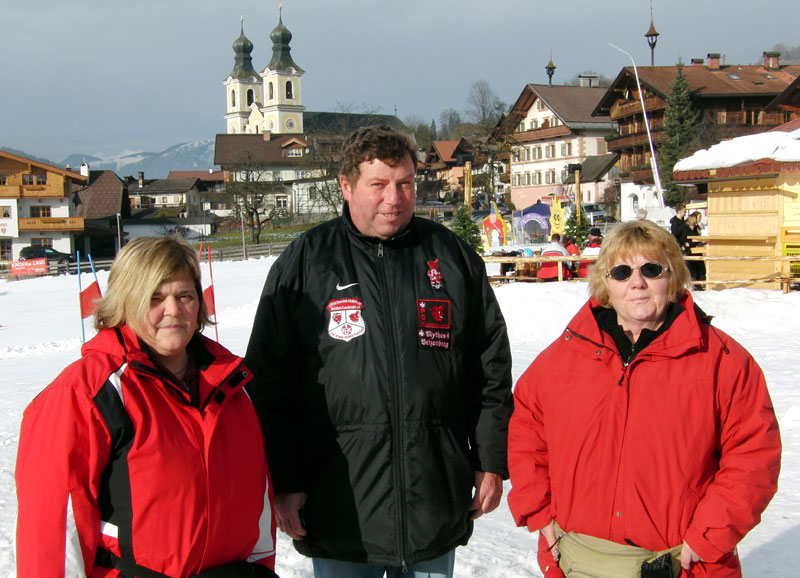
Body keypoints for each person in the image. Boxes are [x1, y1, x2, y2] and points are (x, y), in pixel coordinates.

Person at [245, 125, 513, 578]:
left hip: (431, 498)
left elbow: (490, 368)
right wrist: (285, 480)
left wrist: (489, 461)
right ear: (346, 186)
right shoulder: (307, 262)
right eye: (379, 185)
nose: (395, 198)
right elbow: (269, 384)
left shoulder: (449, 256)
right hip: (338, 501)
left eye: (405, 183)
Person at [507, 220, 781, 578]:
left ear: (674, 276)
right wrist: (539, 512)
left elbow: (753, 457)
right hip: (580, 562)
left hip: (682, 565)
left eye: (651, 269)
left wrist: (708, 537)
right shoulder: (562, 359)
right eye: (622, 271)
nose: (637, 282)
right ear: (606, 282)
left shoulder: (723, 361)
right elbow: (526, 435)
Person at [16, 237, 277, 578]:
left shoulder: (231, 387)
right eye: (155, 298)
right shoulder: (85, 394)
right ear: (127, 301)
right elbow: (52, 533)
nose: (173, 310)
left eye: (185, 296)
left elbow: (258, 506)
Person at [685, 211, 707, 287]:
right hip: (691, 251)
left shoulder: (695, 229)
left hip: (697, 250)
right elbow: (687, 241)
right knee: (694, 270)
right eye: (699, 217)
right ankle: (696, 285)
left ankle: (699, 284)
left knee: (700, 270)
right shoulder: (687, 229)